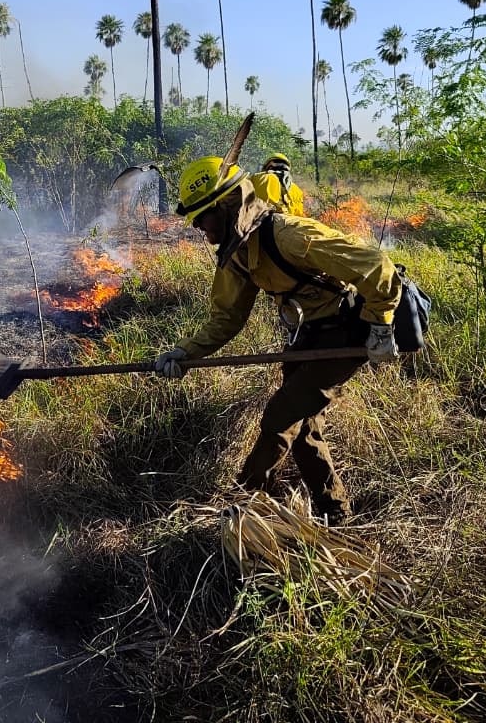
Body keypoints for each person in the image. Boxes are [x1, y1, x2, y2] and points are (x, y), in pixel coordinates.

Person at [154, 156, 402, 524]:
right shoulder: (238, 255)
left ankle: (243, 510)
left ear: (228, 204)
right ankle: (338, 512)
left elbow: (375, 265)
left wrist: (380, 325)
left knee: (278, 419)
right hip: (309, 333)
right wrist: (185, 353)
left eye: (203, 219)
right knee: (303, 429)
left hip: (348, 328)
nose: (202, 232)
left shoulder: (288, 235)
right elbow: (226, 318)